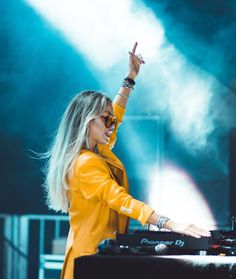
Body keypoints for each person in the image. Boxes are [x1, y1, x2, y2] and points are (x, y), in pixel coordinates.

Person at [43, 42, 210, 279]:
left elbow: (117, 115)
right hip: (89, 261)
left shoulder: (99, 150)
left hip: (99, 259)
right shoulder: (84, 164)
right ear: (88, 121)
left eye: (112, 121)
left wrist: (129, 79)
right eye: (106, 121)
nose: (112, 126)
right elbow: (120, 200)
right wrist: (171, 224)